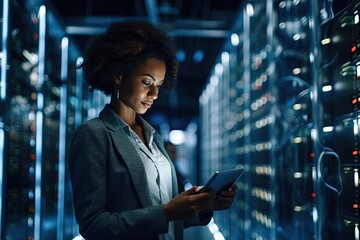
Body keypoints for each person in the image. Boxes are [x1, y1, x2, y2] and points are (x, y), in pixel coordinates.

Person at [69, 20, 237, 240]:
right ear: (119, 75)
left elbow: (165, 216)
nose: (155, 94)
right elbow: (93, 226)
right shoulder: (93, 134)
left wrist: (203, 206)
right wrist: (167, 212)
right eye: (147, 82)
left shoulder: (153, 138)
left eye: (159, 84)